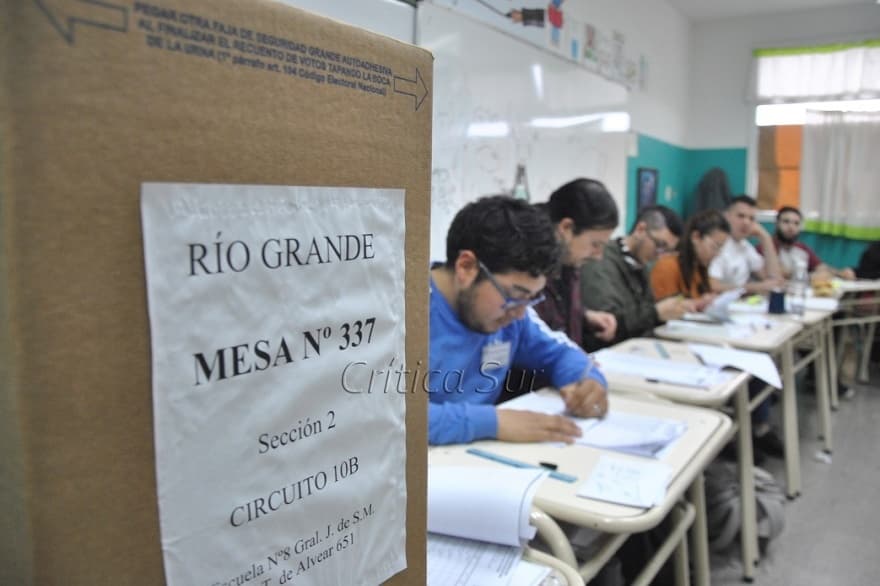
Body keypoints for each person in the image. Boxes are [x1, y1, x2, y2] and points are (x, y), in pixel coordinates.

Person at [428, 195, 608, 446]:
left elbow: (561, 352)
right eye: (514, 296)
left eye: (532, 298)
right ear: (466, 267)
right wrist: (492, 422)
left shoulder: (513, 316)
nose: (520, 313)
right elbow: (376, 415)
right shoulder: (397, 313)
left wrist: (587, 381)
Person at [580, 205, 694, 351]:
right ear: (640, 229)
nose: (660, 255)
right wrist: (656, 313)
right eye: (660, 245)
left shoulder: (641, 264)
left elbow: (643, 310)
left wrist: (671, 309)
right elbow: (609, 323)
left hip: (637, 348)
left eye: (668, 251)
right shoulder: (600, 261)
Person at [532, 178, 620, 348]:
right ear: (566, 228)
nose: (598, 256)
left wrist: (584, 315)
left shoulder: (569, 258)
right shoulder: (529, 266)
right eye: (595, 244)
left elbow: (557, 310)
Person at [650, 209, 731, 306]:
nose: (717, 254)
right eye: (715, 247)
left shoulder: (698, 268)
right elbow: (664, 310)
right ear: (696, 237)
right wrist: (698, 303)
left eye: (720, 248)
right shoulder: (668, 266)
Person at [709, 195, 784, 294]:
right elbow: (713, 287)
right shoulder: (716, 245)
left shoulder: (745, 246)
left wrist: (765, 238)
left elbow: (774, 279)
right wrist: (753, 287)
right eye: (741, 216)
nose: (746, 222)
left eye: (751, 219)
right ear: (726, 216)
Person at [757, 206, 856, 280]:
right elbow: (780, 273)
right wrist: (811, 276)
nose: (791, 227)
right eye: (786, 222)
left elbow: (821, 267)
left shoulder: (802, 248)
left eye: (796, 223)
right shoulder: (765, 247)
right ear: (776, 224)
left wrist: (840, 273)